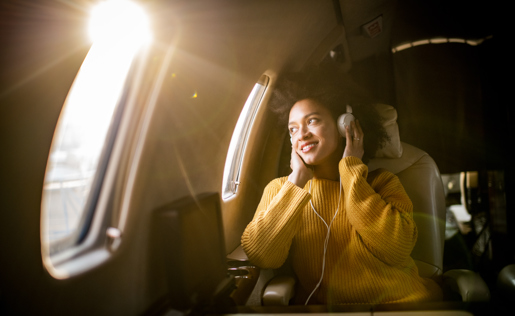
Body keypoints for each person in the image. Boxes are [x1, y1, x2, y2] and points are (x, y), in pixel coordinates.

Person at [241, 66, 442, 305]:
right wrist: (297, 179)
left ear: (343, 125)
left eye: (312, 121)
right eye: (293, 129)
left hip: (405, 306)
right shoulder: (281, 190)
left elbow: (395, 249)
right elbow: (262, 255)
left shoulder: (382, 182)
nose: (301, 135)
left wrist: (351, 168)